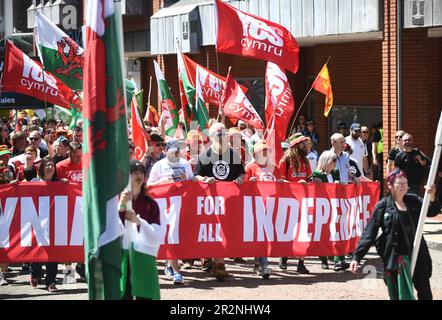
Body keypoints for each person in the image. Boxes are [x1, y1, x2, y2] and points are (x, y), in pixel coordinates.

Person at [350, 169, 440, 300]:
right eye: (400, 183)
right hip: (395, 259)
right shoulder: (383, 206)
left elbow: (432, 211)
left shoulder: (413, 200)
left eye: (405, 183)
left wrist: (432, 197)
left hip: (417, 255)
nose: (404, 186)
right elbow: (370, 233)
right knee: (399, 295)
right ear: (390, 185)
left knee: (425, 293)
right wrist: (357, 256)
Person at [194, 122, 246, 281]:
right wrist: (204, 179)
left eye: (224, 134)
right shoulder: (205, 155)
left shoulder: (234, 155)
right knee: (213, 231)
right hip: (210, 201)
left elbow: (242, 174)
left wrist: (240, 179)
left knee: (225, 231)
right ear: (211, 137)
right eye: (219, 134)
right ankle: (217, 263)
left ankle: (219, 263)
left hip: (229, 201)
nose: (222, 137)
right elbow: (196, 176)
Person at [147, 139, 195, 285]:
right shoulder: (159, 165)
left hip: (183, 204)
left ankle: (170, 264)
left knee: (179, 235)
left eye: (178, 151)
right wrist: (163, 182)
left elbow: (193, 181)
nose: (176, 154)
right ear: (166, 150)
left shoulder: (184, 163)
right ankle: (176, 271)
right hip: (164, 206)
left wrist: (188, 179)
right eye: (173, 151)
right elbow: (149, 185)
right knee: (170, 234)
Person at [118, 160, 162, 300]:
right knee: (124, 291)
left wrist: (139, 222)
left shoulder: (151, 204)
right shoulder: (118, 199)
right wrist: (122, 205)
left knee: (144, 292)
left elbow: (157, 232)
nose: (139, 176)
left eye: (141, 172)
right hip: (123, 254)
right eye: (135, 173)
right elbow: (112, 226)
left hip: (142, 254)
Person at [245, 141, 283, 279]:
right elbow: (242, 187)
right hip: (256, 206)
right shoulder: (250, 168)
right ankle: (263, 265)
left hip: (272, 206)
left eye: (267, 150)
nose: (265, 153)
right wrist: (249, 183)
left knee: (266, 236)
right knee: (261, 235)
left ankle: (258, 263)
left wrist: (282, 183)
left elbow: (282, 184)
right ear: (255, 154)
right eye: (263, 151)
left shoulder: (275, 168)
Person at [278, 133, 311, 274]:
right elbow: (279, 181)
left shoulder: (306, 160)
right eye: (303, 143)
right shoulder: (285, 160)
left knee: (303, 231)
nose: (305, 145)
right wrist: (296, 184)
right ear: (296, 145)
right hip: (288, 201)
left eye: (305, 142)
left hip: (303, 201)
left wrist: (311, 182)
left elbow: (309, 178)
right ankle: (283, 257)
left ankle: (301, 263)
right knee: (288, 230)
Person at [29, 157, 62, 292]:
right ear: (42, 168)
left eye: (52, 165)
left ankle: (51, 282)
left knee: (53, 253)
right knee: (37, 251)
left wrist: (64, 184)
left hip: (54, 223)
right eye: (47, 165)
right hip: (36, 222)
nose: (50, 167)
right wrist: (15, 185)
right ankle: (35, 273)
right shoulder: (33, 182)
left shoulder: (59, 183)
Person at [312, 150, 350, 271]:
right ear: (325, 161)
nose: (335, 163)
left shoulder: (336, 173)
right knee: (324, 233)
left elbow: (338, 187)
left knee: (337, 232)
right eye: (333, 160)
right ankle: (323, 259)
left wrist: (339, 185)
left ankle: (339, 260)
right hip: (322, 207)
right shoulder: (317, 174)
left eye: (335, 160)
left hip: (334, 206)